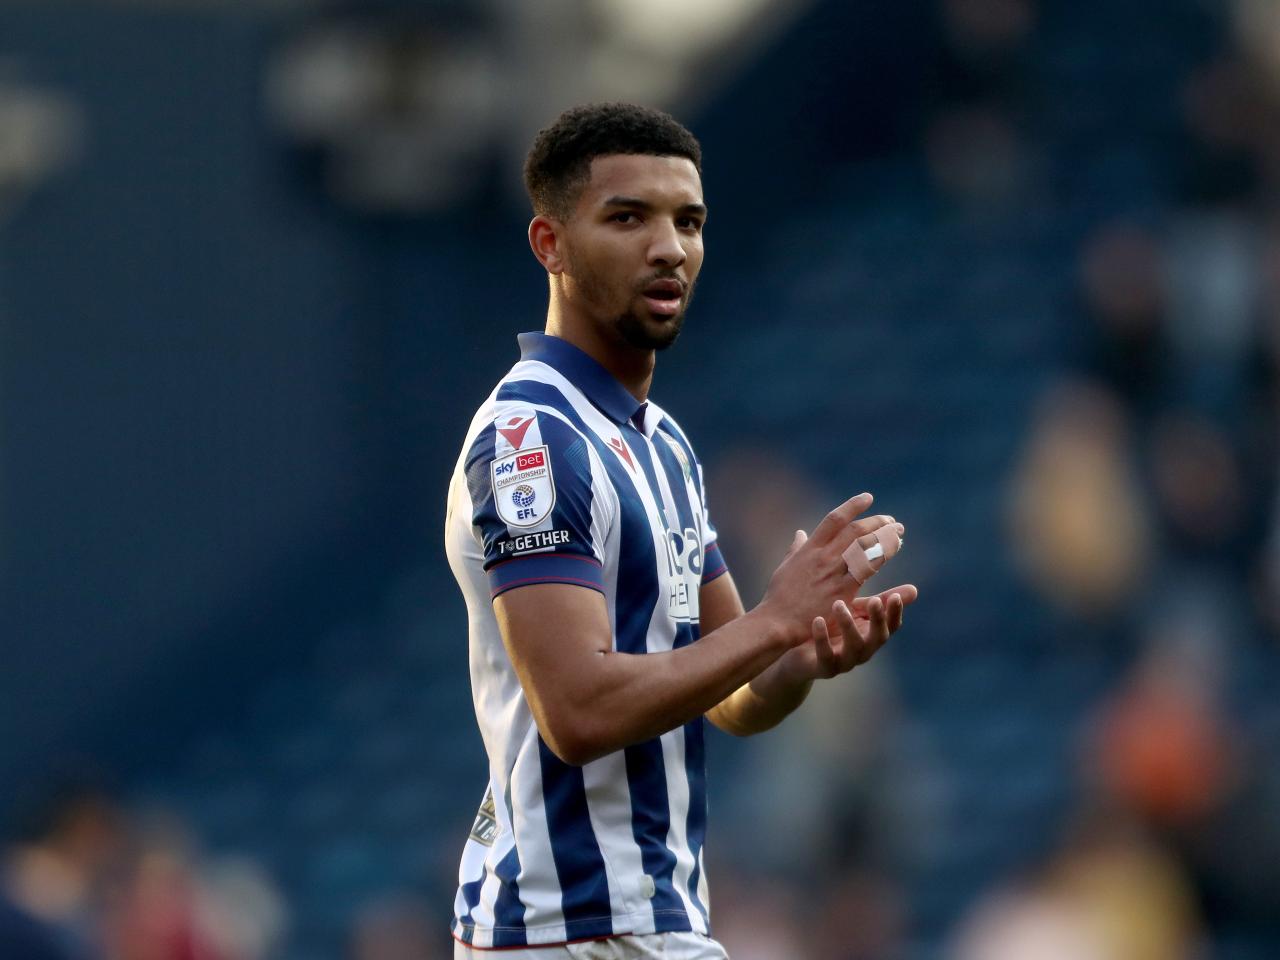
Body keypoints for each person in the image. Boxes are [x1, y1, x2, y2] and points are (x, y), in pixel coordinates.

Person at [444, 102, 918, 959]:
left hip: (649, 921)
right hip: (571, 928)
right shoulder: (532, 440)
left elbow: (731, 694)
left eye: (688, 221)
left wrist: (794, 657)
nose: (669, 246)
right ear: (549, 245)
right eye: (628, 217)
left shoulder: (663, 445)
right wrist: (772, 622)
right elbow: (577, 711)